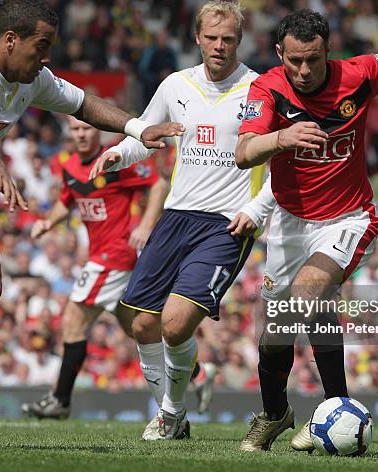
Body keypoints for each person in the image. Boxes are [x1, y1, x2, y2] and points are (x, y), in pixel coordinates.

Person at [0, 0, 182, 450]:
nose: (46, 57)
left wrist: (136, 128)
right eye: (41, 46)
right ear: (11, 40)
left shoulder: (32, 81)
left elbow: (84, 103)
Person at [235, 9, 378, 452]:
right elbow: (243, 152)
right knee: (274, 336)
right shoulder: (268, 88)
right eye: (294, 60)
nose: (302, 70)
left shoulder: (358, 75)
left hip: (347, 217)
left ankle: (335, 408)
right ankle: (275, 414)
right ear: (280, 53)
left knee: (308, 294)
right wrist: (282, 138)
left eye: (312, 60)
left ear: (328, 52)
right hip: (290, 225)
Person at [91, 0, 276, 440]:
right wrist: (119, 153)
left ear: (240, 40)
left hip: (225, 223)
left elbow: (284, 165)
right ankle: (174, 415)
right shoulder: (176, 84)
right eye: (211, 37)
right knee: (141, 322)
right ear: (196, 37)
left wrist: (256, 209)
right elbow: (147, 136)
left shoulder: (261, 89)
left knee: (174, 322)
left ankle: (171, 415)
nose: (219, 46)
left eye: (228, 38)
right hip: (175, 216)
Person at [20, 116, 168, 419]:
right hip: (100, 256)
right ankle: (192, 373)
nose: (82, 134)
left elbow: (158, 184)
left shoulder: (116, 159)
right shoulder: (71, 166)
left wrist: (146, 224)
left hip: (114, 256)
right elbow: (67, 200)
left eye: (86, 128)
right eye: (76, 129)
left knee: (73, 318)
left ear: (98, 130)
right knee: (137, 327)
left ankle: (60, 400)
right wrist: (48, 223)